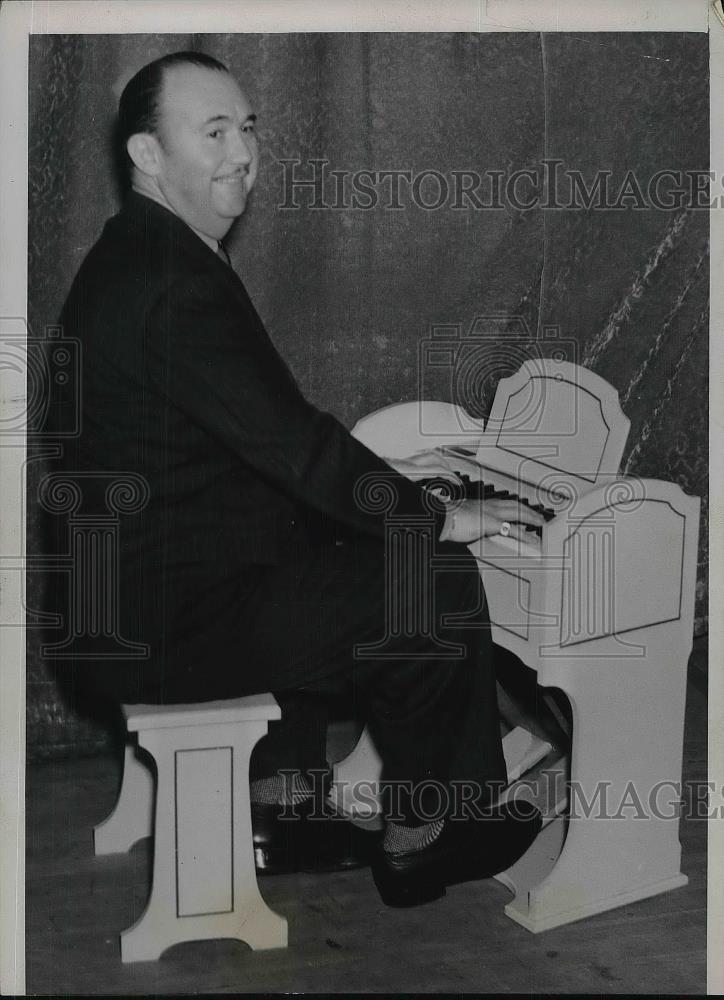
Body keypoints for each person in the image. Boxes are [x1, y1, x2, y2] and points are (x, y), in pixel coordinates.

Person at [52, 50, 544, 906]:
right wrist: (434, 518)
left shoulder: (142, 251)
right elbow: (295, 446)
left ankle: (286, 808)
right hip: (155, 623)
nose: (242, 151)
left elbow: (260, 448)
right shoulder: (171, 282)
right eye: (213, 132)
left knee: (322, 534)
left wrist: (373, 500)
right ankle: (436, 831)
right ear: (147, 155)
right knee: (432, 580)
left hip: (131, 596)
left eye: (248, 127)